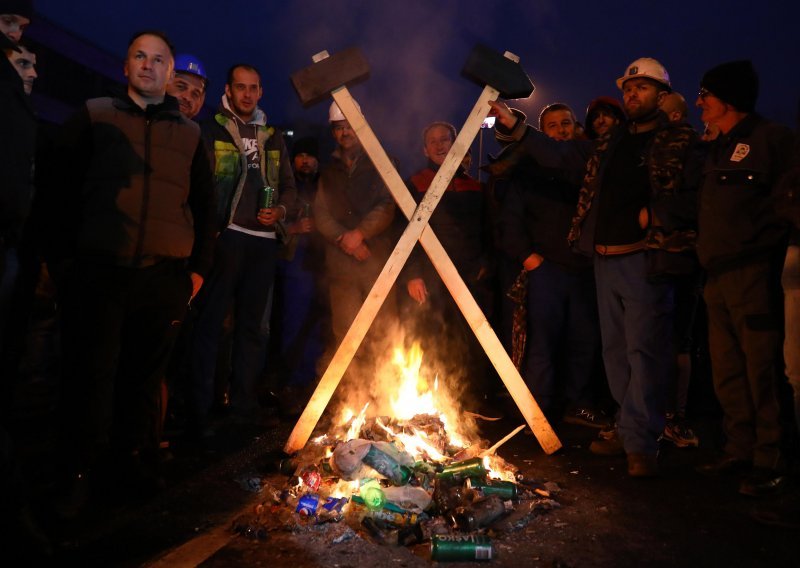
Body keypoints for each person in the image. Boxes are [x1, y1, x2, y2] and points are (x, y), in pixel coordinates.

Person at [489, 57, 702, 477]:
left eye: (642, 88)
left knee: (644, 350)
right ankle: (629, 427)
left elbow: (695, 194)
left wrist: (658, 216)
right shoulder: (608, 143)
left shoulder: (678, 140)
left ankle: (641, 442)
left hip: (645, 257)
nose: (632, 94)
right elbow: (556, 154)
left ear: (661, 94)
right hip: (605, 258)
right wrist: (514, 123)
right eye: (629, 87)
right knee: (616, 352)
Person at [44, 30, 216, 514]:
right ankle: (76, 476)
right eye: (140, 56)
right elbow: (57, 193)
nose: (148, 65)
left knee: (142, 383)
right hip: (99, 273)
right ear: (126, 67)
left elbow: (206, 207)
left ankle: (129, 467)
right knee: (88, 379)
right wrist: (61, 265)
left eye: (159, 59)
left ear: (169, 72)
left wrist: (196, 272)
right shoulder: (95, 116)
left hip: (162, 278)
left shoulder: (189, 133)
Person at [693, 60, 794, 497]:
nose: (699, 103)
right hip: (716, 275)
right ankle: (740, 449)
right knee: (727, 368)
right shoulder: (718, 146)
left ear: (729, 99)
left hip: (753, 274)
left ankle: (772, 460)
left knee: (763, 370)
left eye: (706, 95)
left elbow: (787, 205)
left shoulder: (772, 140)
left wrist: (767, 251)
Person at [190, 63, 296, 433]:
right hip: (227, 236)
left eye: (253, 87)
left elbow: (290, 188)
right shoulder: (212, 128)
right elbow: (200, 184)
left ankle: (241, 406)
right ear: (229, 90)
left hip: (264, 244)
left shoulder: (273, 134)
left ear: (261, 91)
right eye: (241, 87)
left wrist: (280, 210)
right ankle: (202, 406)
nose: (247, 94)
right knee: (212, 323)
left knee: (253, 328)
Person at [500, 103, 605, 428]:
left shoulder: (588, 165)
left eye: (566, 123)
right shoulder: (527, 171)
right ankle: (537, 409)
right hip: (545, 269)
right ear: (542, 132)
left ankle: (578, 404)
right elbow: (509, 221)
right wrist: (530, 259)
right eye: (553, 125)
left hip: (584, 268)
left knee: (583, 341)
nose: (561, 130)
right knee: (542, 343)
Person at [403, 121, 493, 401]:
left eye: (446, 139)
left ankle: (469, 400)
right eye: (434, 141)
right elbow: (405, 233)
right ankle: (429, 398)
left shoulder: (474, 186)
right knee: (431, 336)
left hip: (469, 274)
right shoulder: (415, 184)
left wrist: (485, 263)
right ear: (425, 149)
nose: (441, 145)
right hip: (430, 276)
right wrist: (413, 274)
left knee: (468, 338)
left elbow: (487, 229)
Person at [314, 101, 397, 401]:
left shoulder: (382, 162)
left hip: (377, 263)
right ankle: (352, 399)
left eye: (349, 125)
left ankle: (385, 396)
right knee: (346, 332)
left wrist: (361, 234)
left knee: (383, 329)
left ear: (361, 126)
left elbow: (388, 205)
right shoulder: (329, 170)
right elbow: (320, 213)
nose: (344, 132)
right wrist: (345, 240)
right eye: (338, 128)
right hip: (341, 267)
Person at [656, 90, 702, 449]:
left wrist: (659, 216)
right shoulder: (649, 146)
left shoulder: (691, 148)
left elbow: (694, 200)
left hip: (680, 255)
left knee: (677, 341)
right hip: (653, 255)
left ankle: (674, 415)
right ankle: (653, 413)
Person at [271, 136, 327, 417]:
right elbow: (272, 219)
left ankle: (314, 381)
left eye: (310, 155)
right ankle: (292, 382)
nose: (305, 160)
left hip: (322, 264)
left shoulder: (325, 185)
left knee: (318, 325)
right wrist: (293, 228)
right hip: (294, 262)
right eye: (300, 155)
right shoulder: (286, 186)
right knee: (292, 322)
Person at [166, 53, 207, 120]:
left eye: (195, 94)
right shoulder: (144, 125)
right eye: (181, 87)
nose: (187, 97)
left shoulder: (201, 130)